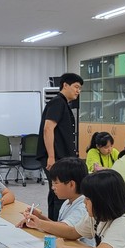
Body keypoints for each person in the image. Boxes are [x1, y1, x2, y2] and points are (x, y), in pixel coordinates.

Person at [37, 72, 83, 221]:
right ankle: (59, 227)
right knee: (61, 193)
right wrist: (51, 156)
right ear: (65, 85)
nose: (78, 91)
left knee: (55, 192)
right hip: (56, 157)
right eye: (76, 87)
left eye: (80, 88)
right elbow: (48, 128)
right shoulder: (58, 102)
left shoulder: (63, 104)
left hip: (61, 157)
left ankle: (53, 224)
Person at [17, 157, 92, 245]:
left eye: (55, 183)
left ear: (71, 184)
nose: (53, 187)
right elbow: (59, 227)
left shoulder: (83, 206)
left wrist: (39, 223)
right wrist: (40, 217)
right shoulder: (67, 202)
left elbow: (68, 230)